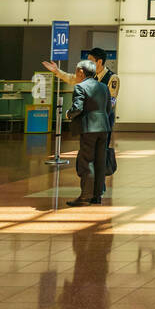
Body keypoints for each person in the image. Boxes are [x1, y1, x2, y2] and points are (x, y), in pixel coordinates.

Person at [65, 60, 111, 207]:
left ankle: (85, 196)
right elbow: (108, 108)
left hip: (89, 128)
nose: (76, 75)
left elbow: (77, 108)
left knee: (87, 161)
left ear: (81, 72)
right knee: (100, 162)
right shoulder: (103, 87)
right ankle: (97, 196)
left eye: (76, 71)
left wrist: (68, 114)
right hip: (103, 127)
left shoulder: (80, 87)